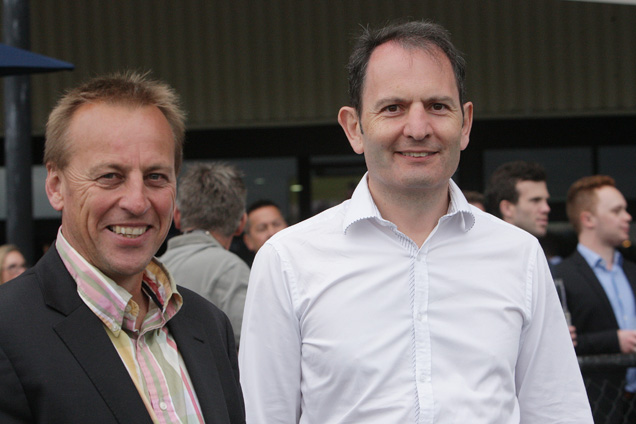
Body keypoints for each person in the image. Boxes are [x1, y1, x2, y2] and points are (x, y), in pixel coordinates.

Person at [239, 20, 591, 423]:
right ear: (354, 128)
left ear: (465, 123)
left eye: (438, 106)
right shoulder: (287, 261)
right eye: (393, 108)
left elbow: (557, 411)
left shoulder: (520, 255)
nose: (419, 128)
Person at [0, 72, 245, 423]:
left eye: (155, 177)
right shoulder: (8, 331)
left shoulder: (207, 324)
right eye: (110, 176)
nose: (136, 201)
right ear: (55, 186)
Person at [553, 175, 636, 424]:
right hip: (594, 406)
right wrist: (613, 340)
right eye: (617, 210)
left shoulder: (632, 271)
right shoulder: (559, 276)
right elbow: (557, 345)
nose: (628, 216)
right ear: (588, 219)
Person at [160, 162, 250, 346]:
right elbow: (250, 349)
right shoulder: (232, 270)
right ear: (242, 222)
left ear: (176, 215)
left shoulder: (148, 270)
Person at [484, 160, 551, 238]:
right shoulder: (486, 248)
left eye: (546, 201)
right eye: (535, 200)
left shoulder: (545, 247)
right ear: (507, 208)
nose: (546, 208)